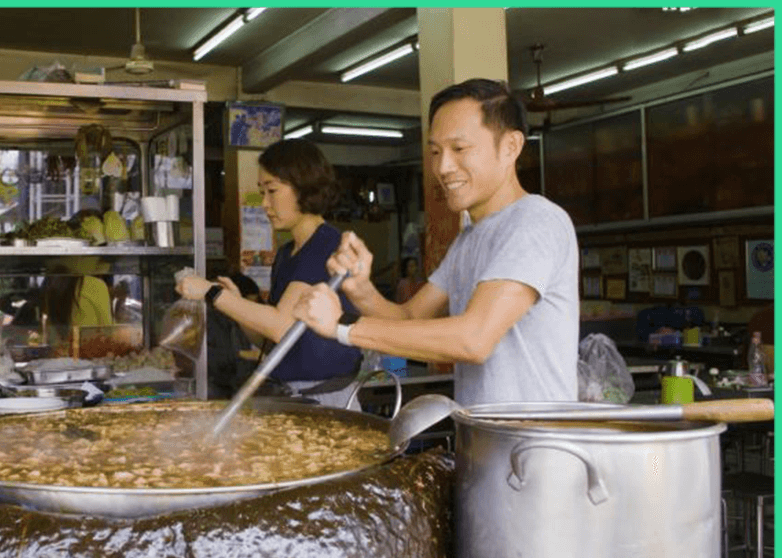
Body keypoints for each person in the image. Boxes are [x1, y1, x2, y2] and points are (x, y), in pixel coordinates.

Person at [294, 78, 579, 407]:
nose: (443, 167)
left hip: (535, 450)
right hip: (483, 443)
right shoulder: (470, 237)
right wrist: (361, 290)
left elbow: (474, 339)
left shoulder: (534, 221)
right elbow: (408, 317)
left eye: (459, 149)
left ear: (511, 147)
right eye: (434, 152)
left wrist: (344, 326)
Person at [177, 139, 362, 409]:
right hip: (293, 394)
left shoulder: (325, 246)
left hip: (326, 399)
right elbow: (268, 337)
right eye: (261, 192)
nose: (264, 203)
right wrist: (236, 302)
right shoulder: (287, 254)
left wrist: (211, 292)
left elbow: (280, 326)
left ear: (303, 188)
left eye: (272, 191)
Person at [205, 272, 263, 399]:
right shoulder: (212, 319)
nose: (248, 310)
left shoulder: (242, 321)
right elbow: (211, 360)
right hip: (217, 390)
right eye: (246, 303)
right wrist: (242, 355)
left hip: (242, 389)